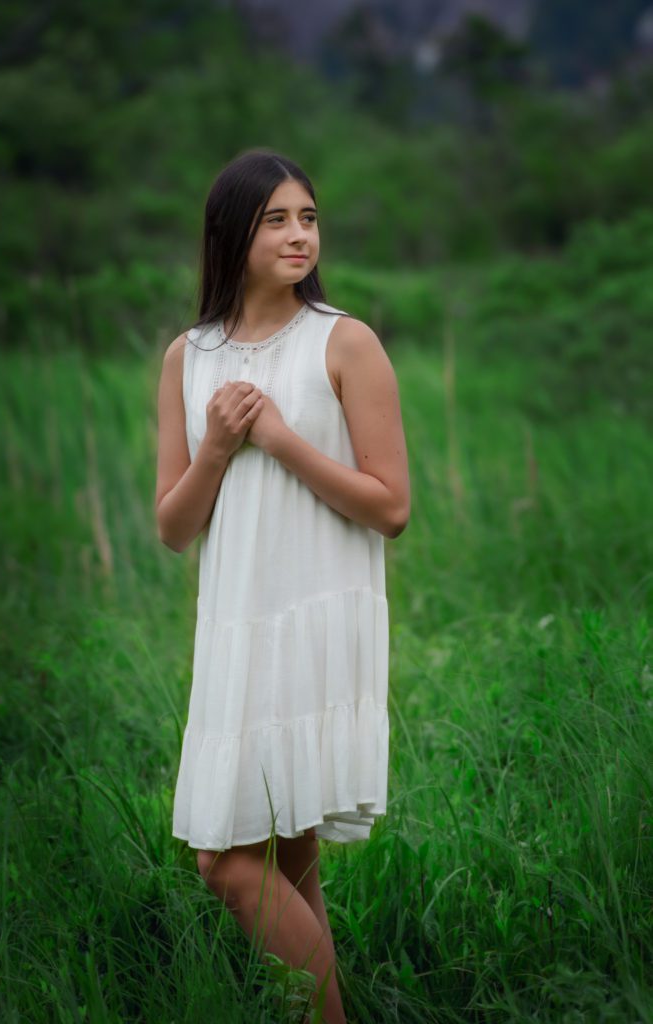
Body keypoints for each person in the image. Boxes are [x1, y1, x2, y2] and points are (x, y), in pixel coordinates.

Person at [155, 148, 410, 1024]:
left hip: (314, 622)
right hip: (236, 628)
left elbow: (391, 507)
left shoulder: (344, 341)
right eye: (276, 219)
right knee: (282, 866)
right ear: (231, 233)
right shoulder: (187, 358)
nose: (299, 234)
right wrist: (219, 447)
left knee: (224, 863)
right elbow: (172, 526)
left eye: (307, 217)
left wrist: (280, 438)